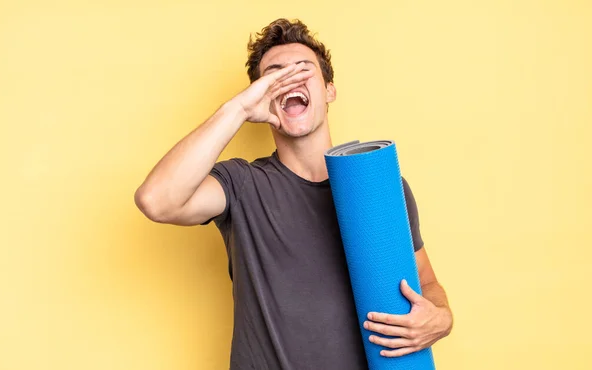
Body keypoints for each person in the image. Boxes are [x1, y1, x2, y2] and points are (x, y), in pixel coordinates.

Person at [134, 18, 453, 370]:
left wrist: (441, 318)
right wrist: (238, 109)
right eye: (274, 75)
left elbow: (426, 282)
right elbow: (157, 200)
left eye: (303, 70)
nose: (290, 79)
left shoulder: (378, 187)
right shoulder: (241, 184)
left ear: (329, 89)